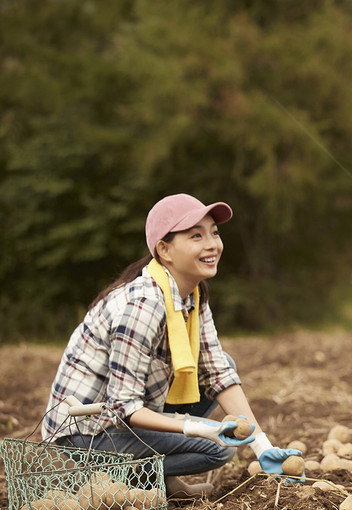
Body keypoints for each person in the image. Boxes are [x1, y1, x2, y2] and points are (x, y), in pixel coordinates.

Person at [41, 193, 302, 500]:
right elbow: (124, 407)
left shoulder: (193, 296)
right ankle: (130, 480)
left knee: (225, 364)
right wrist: (198, 428)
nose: (212, 244)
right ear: (164, 250)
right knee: (218, 449)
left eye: (214, 233)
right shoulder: (144, 306)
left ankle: (152, 479)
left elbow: (218, 373)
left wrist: (262, 447)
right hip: (87, 433)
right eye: (196, 236)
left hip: (122, 417)